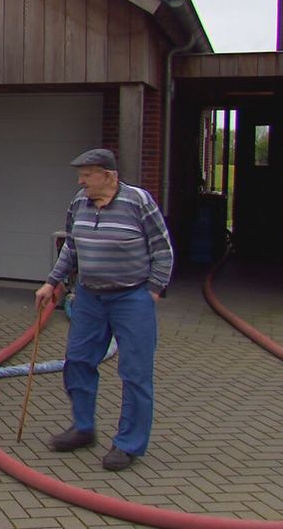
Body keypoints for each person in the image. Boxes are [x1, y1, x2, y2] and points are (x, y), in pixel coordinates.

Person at [34, 148, 173, 471]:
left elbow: (163, 250)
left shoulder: (138, 202)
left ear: (109, 176)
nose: (81, 181)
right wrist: (52, 282)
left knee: (135, 373)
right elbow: (71, 245)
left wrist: (153, 291)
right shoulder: (78, 203)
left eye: (87, 175)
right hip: (89, 298)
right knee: (78, 361)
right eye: (80, 175)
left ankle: (127, 445)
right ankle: (83, 427)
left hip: (132, 298)